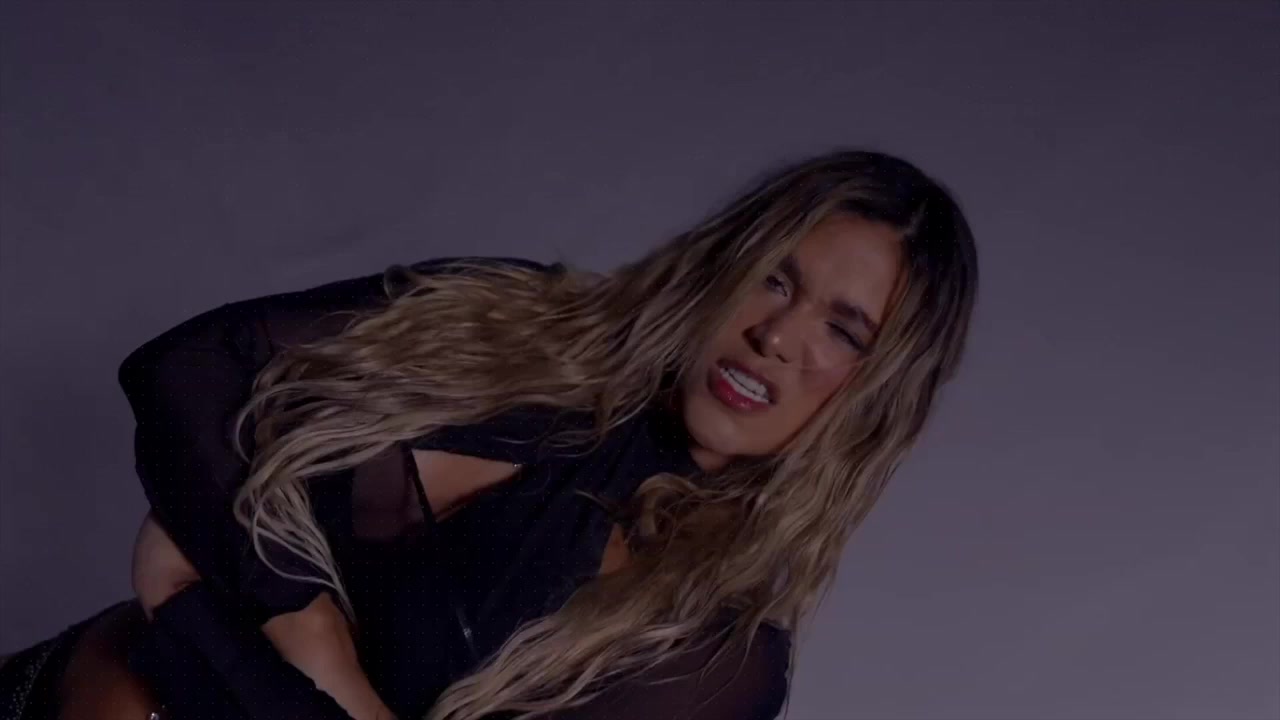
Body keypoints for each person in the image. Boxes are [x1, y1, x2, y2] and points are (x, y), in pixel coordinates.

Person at [0, 148, 979, 720]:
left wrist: (195, 610)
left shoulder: (712, 657)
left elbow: (198, 503)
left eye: (842, 331)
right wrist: (307, 622)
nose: (778, 334)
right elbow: (185, 373)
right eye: (774, 277)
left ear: (874, 394)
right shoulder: (509, 327)